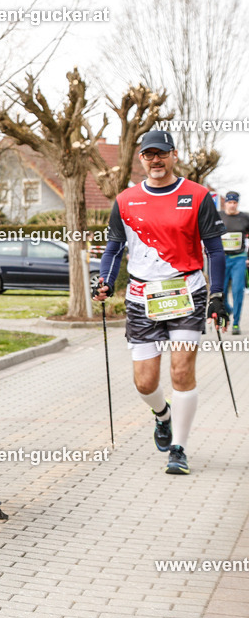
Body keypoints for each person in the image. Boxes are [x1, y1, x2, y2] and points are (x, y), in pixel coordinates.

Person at [93, 130, 227, 475]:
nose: (156, 160)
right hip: (142, 298)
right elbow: (114, 248)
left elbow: (214, 249)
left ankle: (179, 449)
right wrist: (105, 280)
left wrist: (217, 295)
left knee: (181, 371)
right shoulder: (125, 200)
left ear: (174, 155)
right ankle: (162, 416)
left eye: (162, 154)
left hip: (187, 292)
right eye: (149, 154)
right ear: (141, 159)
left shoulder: (197, 196)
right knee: (145, 382)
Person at [218, 192, 248, 334]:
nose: (232, 205)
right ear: (225, 203)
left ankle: (236, 324)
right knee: (221, 292)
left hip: (239, 258)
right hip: (222, 259)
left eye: (234, 203)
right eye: (229, 202)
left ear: (237, 203)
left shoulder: (245, 217)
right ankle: (228, 310)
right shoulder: (218, 216)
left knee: (237, 291)